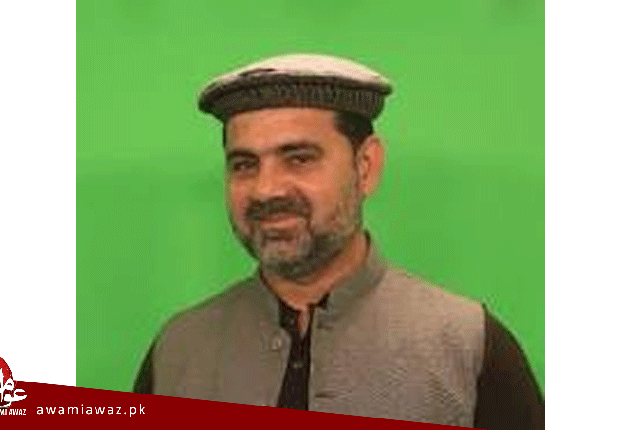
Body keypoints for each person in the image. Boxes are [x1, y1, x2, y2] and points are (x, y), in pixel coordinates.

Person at [133, 53, 544, 429]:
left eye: (299, 158)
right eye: (244, 164)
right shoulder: (178, 350)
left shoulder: (468, 346)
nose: (265, 189)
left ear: (365, 167)